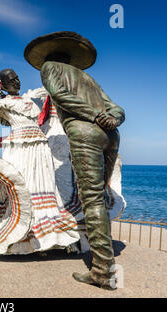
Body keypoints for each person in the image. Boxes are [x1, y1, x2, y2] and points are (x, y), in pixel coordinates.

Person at [24, 31, 126, 290]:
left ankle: (103, 272)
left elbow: (59, 95)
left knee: (91, 201)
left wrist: (93, 116)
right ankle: (104, 260)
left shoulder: (49, 68)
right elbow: (117, 108)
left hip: (85, 133)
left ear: (47, 54)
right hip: (112, 136)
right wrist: (111, 119)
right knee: (100, 197)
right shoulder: (88, 78)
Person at [0, 68, 81, 255]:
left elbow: (50, 87)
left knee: (45, 189)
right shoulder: (0, 105)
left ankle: (50, 238)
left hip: (40, 149)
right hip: (19, 150)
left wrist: (62, 68)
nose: (17, 82)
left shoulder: (32, 97)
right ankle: (24, 241)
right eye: (12, 80)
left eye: (17, 78)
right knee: (24, 188)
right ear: (2, 85)